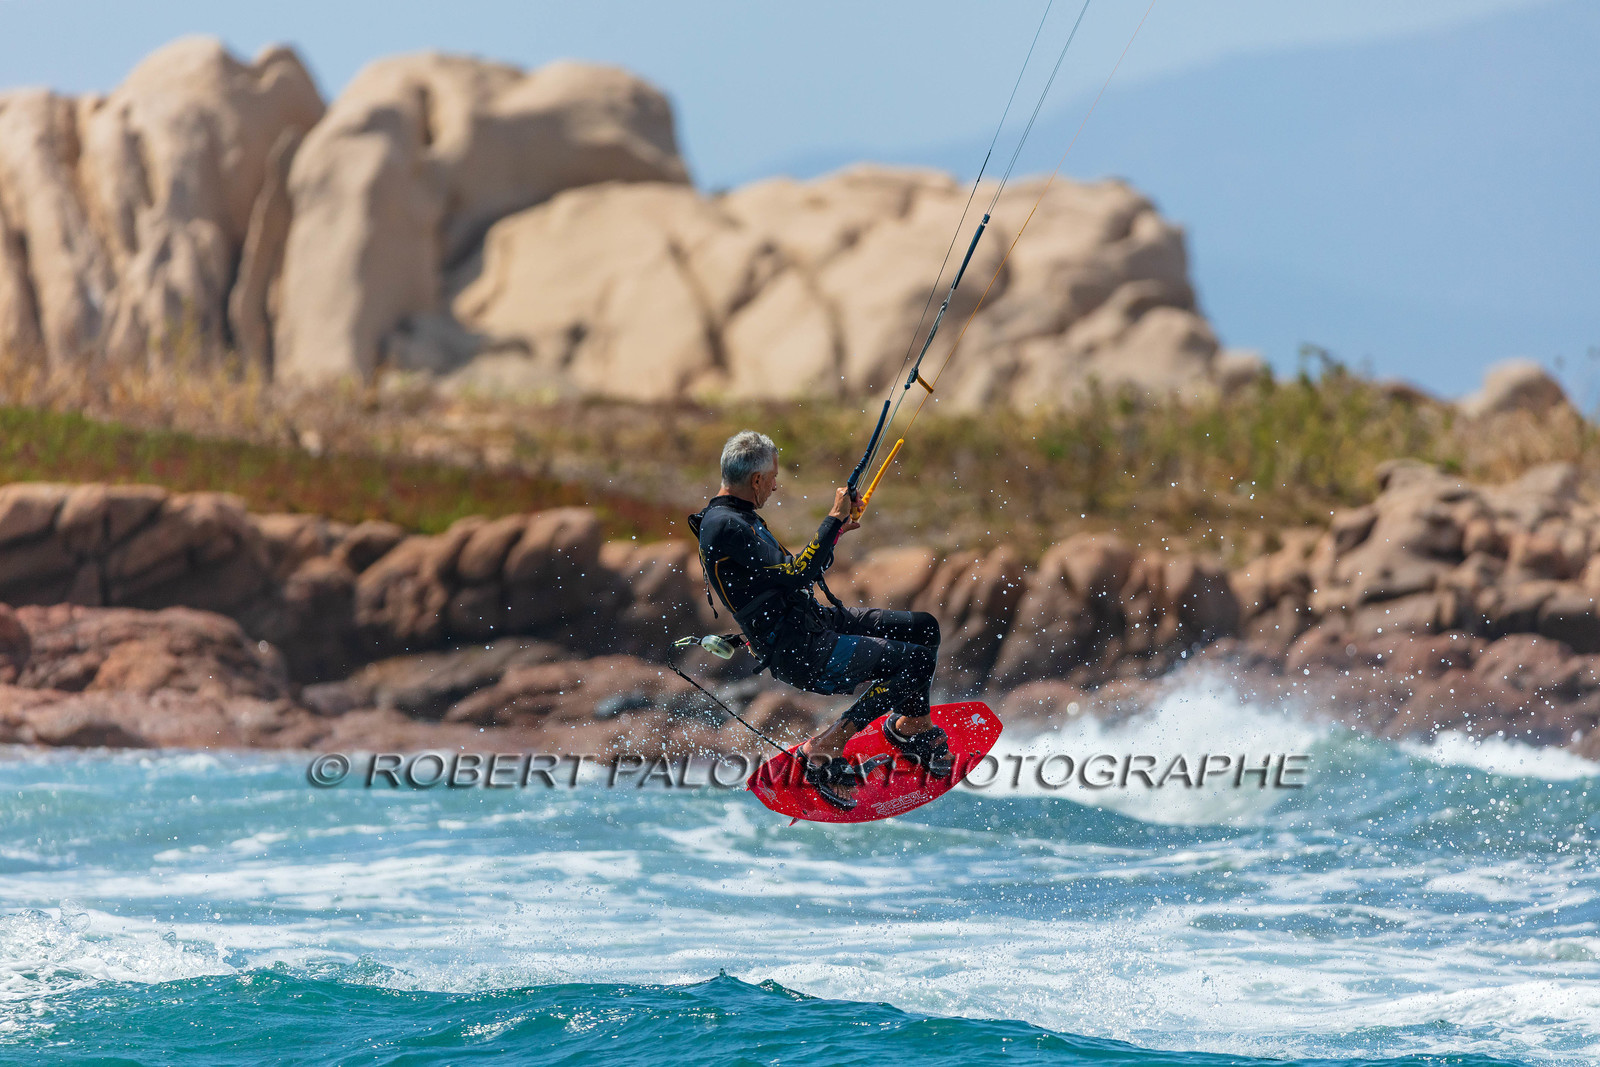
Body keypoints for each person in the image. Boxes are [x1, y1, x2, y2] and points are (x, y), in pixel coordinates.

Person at [688, 429, 950, 810]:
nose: (776, 487)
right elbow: (798, 574)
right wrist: (831, 520)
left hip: (813, 624)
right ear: (757, 479)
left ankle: (911, 726)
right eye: (773, 478)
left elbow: (789, 575)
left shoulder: (738, 519)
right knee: (914, 660)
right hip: (800, 650)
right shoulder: (726, 526)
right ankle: (827, 746)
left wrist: (837, 530)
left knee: (923, 628)